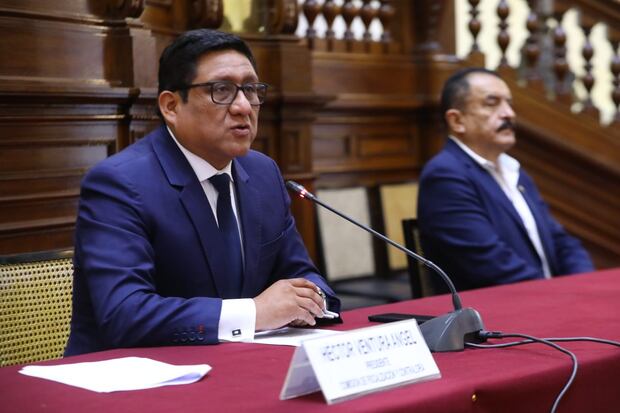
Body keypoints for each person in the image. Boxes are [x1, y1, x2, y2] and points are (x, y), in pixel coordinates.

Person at [65, 29, 340, 356]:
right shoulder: (119, 183)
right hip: (132, 375)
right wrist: (254, 313)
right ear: (171, 106)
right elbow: (125, 314)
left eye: (251, 89)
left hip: (239, 364)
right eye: (221, 90)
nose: (243, 106)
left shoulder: (262, 173)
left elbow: (303, 275)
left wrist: (311, 299)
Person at [417, 67, 594, 292]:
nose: (508, 113)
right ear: (457, 120)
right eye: (492, 103)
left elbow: (561, 242)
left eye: (509, 103)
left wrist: (585, 285)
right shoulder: (445, 176)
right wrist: (562, 295)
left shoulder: (514, 171)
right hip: (499, 308)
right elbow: (492, 266)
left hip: (547, 299)